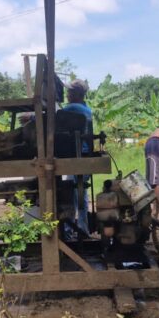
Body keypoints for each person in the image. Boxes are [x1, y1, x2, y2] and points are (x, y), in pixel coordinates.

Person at [63, 80, 93, 235]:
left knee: (73, 195)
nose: (67, 95)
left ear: (77, 94)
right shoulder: (87, 109)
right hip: (84, 155)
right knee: (80, 193)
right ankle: (82, 228)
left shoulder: (72, 108)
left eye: (70, 92)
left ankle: (70, 230)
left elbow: (52, 117)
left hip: (77, 155)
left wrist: (32, 118)